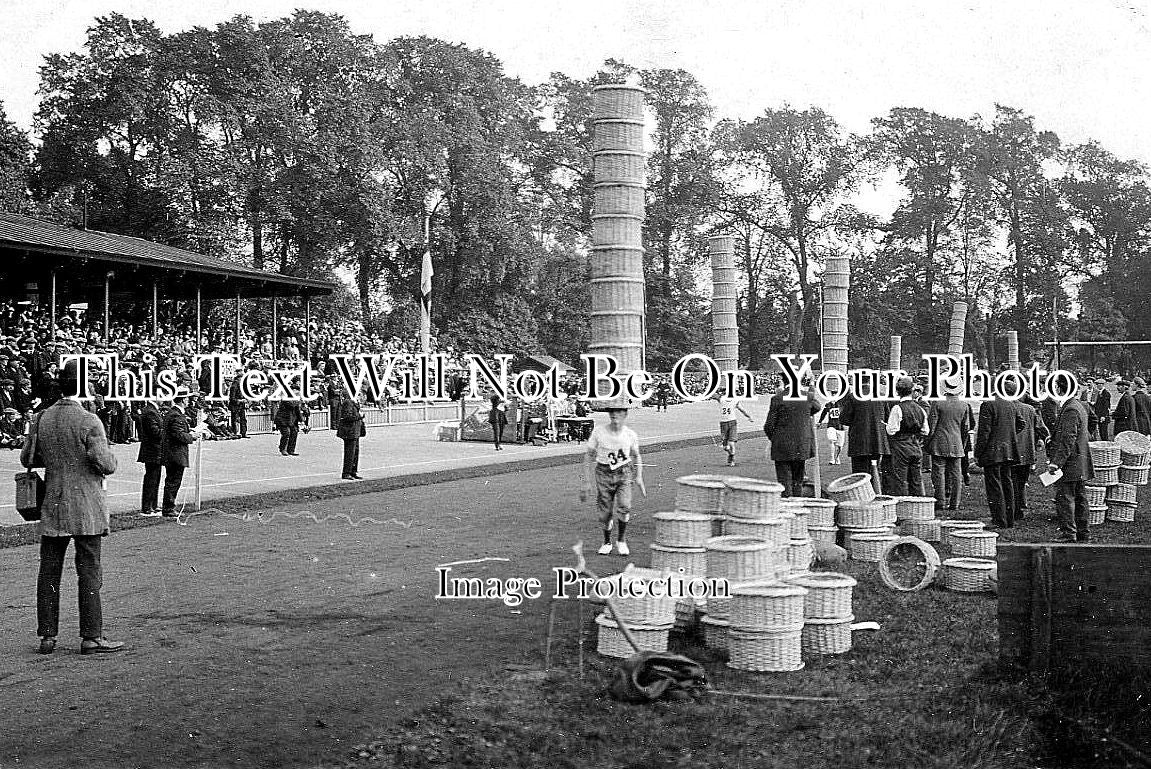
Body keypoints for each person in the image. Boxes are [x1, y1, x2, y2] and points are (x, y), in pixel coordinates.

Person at [22, 359, 122, 655]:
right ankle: (91, 636)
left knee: (49, 572)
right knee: (89, 570)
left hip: (52, 502)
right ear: (82, 387)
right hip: (86, 505)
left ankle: (48, 636)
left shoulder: (41, 418)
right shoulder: (89, 420)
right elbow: (105, 464)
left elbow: (28, 459)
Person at [581, 406, 646, 556]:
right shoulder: (599, 432)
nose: (615, 415)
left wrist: (639, 477)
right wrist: (586, 481)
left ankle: (621, 540)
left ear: (625, 414)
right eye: (612, 412)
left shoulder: (630, 434)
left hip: (624, 472)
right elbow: (588, 455)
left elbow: (637, 455)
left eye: (619, 412)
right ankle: (607, 542)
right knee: (605, 513)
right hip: (603, 473)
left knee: (624, 505)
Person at [1047, 384, 1095, 543]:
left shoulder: (1070, 409)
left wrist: (1056, 463)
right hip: (1079, 462)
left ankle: (1069, 533)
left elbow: (1068, 439)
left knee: (1065, 498)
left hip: (1071, 463)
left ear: (1061, 390)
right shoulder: (1078, 406)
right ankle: (1083, 532)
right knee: (1080, 498)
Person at [974, 385, 1024, 529]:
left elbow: (984, 432)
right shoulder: (1012, 405)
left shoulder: (988, 405)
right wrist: (1009, 435)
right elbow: (1021, 424)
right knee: (1007, 484)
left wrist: (978, 453)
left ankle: (998, 519)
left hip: (992, 452)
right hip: (1008, 450)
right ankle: (1009, 519)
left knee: (994, 486)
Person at [763, 388, 820, 497]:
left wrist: (775, 439)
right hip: (801, 446)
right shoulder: (808, 397)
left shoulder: (777, 399)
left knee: (785, 483)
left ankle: (788, 507)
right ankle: (797, 506)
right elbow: (817, 407)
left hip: (782, 446)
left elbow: (769, 426)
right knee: (797, 482)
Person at [926, 378, 970, 511]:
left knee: (938, 473)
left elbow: (931, 427)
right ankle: (954, 503)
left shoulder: (937, 403)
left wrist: (927, 442)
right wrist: (962, 443)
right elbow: (965, 428)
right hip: (957, 443)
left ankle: (940, 502)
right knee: (956, 475)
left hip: (939, 442)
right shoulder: (964, 405)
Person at [884, 376, 929, 496]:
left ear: (898, 392)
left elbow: (891, 430)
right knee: (916, 479)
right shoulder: (920, 409)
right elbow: (925, 431)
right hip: (915, 445)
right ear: (912, 391)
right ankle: (919, 505)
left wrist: (887, 425)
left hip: (900, 447)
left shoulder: (897, 408)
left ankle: (902, 506)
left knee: (900, 480)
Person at [838, 384, 891, 484]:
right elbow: (887, 418)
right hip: (878, 440)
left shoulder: (853, 397)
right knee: (876, 472)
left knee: (860, 476)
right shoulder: (882, 396)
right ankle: (877, 493)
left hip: (860, 442)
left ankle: (865, 497)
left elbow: (844, 419)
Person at [160, 390, 197, 517]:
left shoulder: (173, 414)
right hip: (175, 454)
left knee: (172, 480)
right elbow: (179, 435)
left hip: (172, 453)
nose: (188, 401)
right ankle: (168, 508)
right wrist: (192, 436)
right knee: (173, 481)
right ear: (182, 400)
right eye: (187, 399)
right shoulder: (176, 415)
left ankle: (169, 506)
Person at [1013, 395, 1049, 522]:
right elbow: (1041, 428)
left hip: (1011, 452)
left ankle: (1014, 509)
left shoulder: (1007, 407)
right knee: (1021, 481)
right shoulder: (1030, 409)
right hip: (1027, 452)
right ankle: (1020, 507)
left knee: (1010, 481)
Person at [137, 399, 164, 517]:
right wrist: (168, 432)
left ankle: (153, 504)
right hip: (152, 450)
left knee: (155, 477)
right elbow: (155, 432)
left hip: (155, 450)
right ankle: (147, 506)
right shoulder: (149, 412)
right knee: (151, 478)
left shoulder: (153, 411)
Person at [716, 392, 753, 467]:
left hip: (732, 422)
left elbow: (742, 409)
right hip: (723, 423)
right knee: (725, 447)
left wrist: (748, 416)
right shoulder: (721, 399)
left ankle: (732, 458)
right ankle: (731, 454)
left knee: (731, 443)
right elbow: (713, 395)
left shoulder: (734, 401)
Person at [336, 390, 365, 480]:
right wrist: (360, 416)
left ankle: (353, 471)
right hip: (349, 431)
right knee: (350, 453)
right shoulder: (348, 402)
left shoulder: (353, 402)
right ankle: (346, 472)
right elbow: (347, 416)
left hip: (354, 431)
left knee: (355, 453)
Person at [818, 397, 845, 465]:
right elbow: (824, 413)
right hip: (831, 425)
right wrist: (820, 421)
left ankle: (837, 457)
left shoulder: (842, 404)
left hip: (840, 426)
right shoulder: (828, 405)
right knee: (832, 441)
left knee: (840, 446)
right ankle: (832, 458)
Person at [228, 373, 249, 439]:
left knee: (243, 419)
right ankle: (235, 433)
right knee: (235, 420)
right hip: (235, 406)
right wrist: (240, 400)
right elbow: (232, 398)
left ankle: (243, 433)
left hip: (241, 406)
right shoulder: (234, 386)